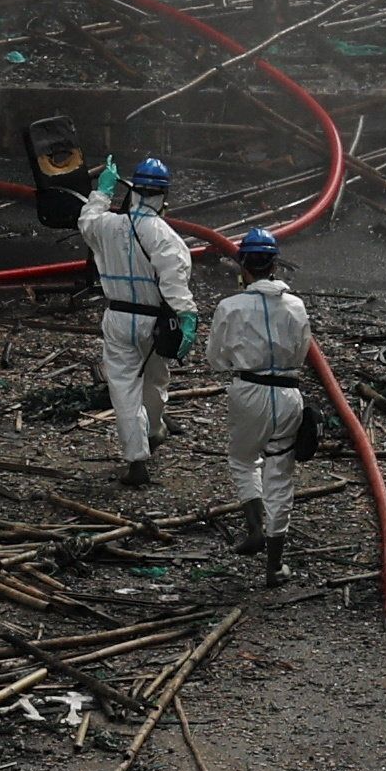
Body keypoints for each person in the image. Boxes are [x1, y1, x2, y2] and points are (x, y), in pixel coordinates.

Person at [78, 154, 197, 485]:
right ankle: (155, 429)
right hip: (154, 321)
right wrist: (188, 319)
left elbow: (86, 222)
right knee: (156, 379)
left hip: (118, 317)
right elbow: (175, 285)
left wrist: (102, 191)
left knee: (124, 389)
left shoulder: (108, 226)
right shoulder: (166, 236)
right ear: (162, 196)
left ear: (132, 191)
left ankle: (137, 461)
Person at [204, 226, 310, 583]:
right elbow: (303, 350)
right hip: (288, 393)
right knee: (280, 474)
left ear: (243, 266)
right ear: (275, 266)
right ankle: (275, 565)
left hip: (248, 391)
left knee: (242, 459)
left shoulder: (229, 307)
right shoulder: (296, 306)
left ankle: (254, 528)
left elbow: (216, 359)